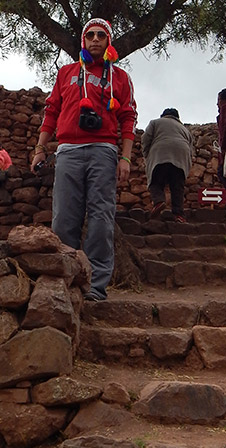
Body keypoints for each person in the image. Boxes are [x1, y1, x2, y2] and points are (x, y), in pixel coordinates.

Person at [30, 17, 138, 301]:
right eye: (90, 35)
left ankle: (95, 286)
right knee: (64, 217)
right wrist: (40, 149)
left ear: (108, 41)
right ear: (83, 40)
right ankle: (64, 281)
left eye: (101, 35)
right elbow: (51, 111)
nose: (95, 39)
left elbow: (128, 118)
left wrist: (125, 159)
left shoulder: (120, 78)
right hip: (68, 151)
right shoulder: (66, 73)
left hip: (103, 151)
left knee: (101, 217)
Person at [142, 108, 194, 223]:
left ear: (163, 116)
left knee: (155, 181)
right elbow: (191, 151)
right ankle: (179, 214)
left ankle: (159, 201)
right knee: (177, 187)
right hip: (181, 156)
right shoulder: (185, 130)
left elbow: (146, 139)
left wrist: (147, 155)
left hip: (161, 153)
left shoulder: (155, 122)